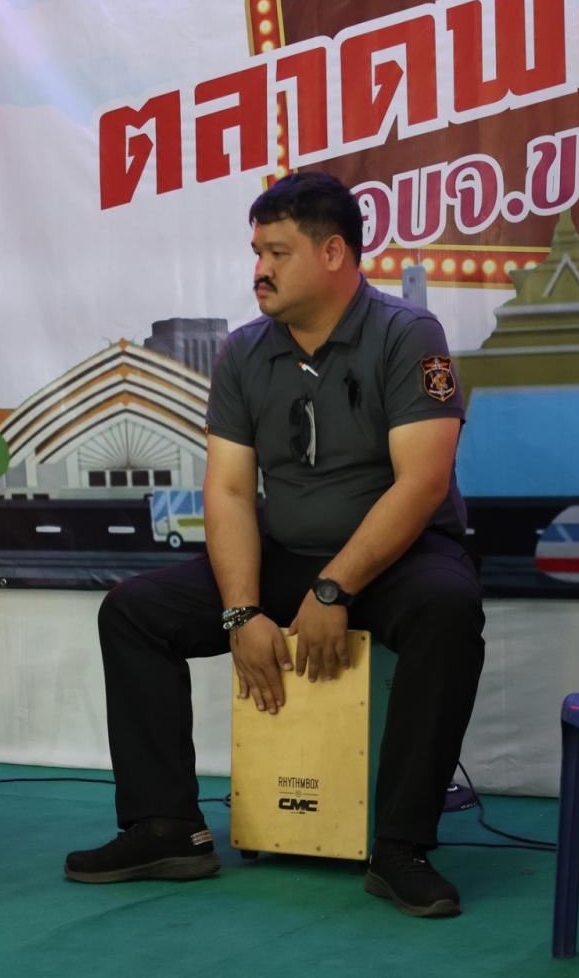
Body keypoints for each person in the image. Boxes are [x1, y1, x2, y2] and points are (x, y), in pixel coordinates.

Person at [64, 170, 485, 918]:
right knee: (134, 612)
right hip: (288, 551)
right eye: (256, 252)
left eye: (277, 253)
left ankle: (400, 847)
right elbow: (228, 492)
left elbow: (421, 484)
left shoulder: (407, 334)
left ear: (333, 253)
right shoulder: (243, 353)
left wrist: (334, 589)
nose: (259, 269)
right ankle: (165, 827)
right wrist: (240, 611)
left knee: (448, 611)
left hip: (399, 556)